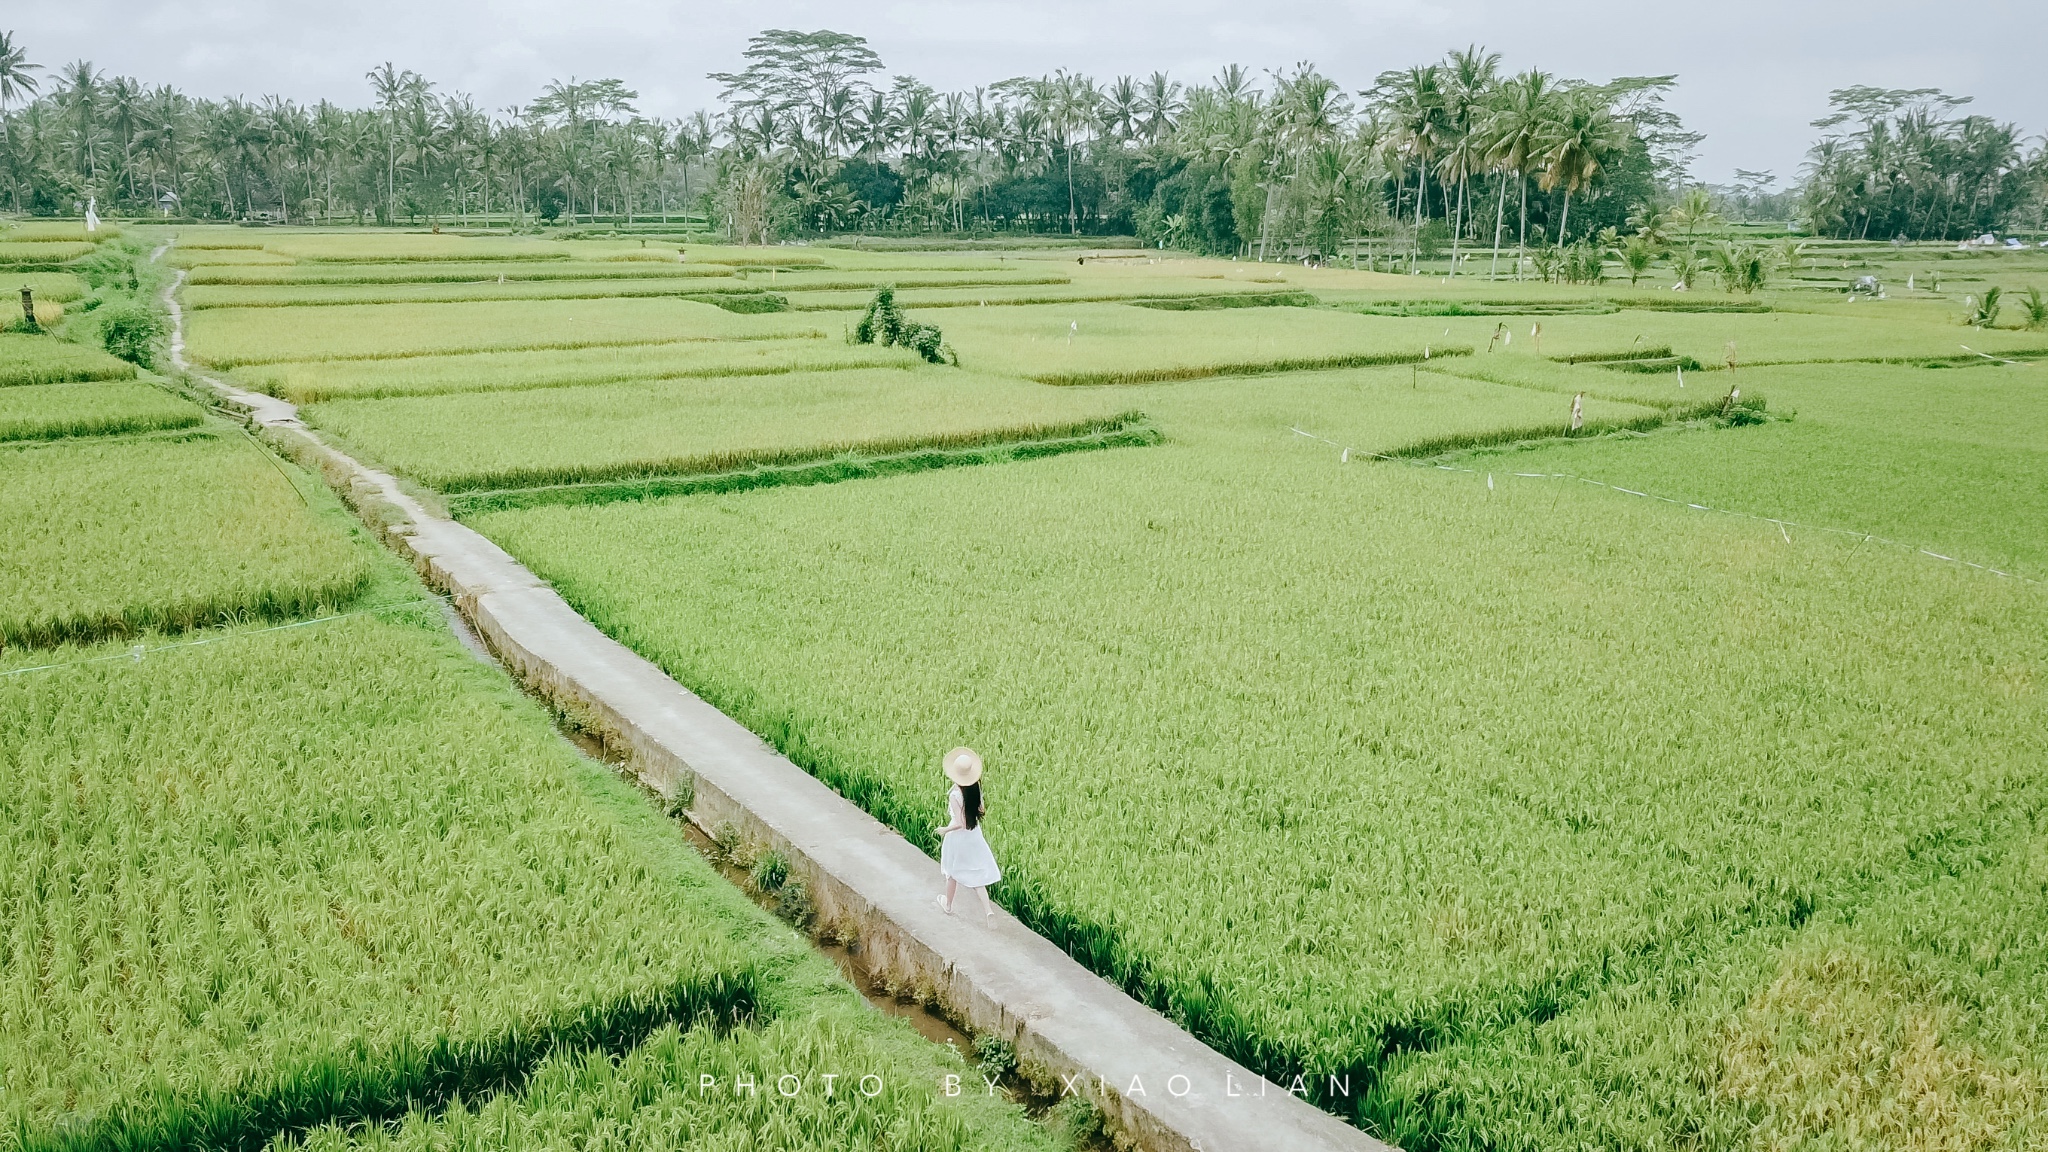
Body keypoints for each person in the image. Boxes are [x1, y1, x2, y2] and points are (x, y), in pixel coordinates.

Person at [934, 747, 1001, 919]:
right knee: (976, 874)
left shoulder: (955, 795)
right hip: (974, 835)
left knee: (951, 872)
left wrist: (945, 829)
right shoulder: (975, 789)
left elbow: (960, 822)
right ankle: (988, 911)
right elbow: (981, 810)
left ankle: (947, 905)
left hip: (958, 839)